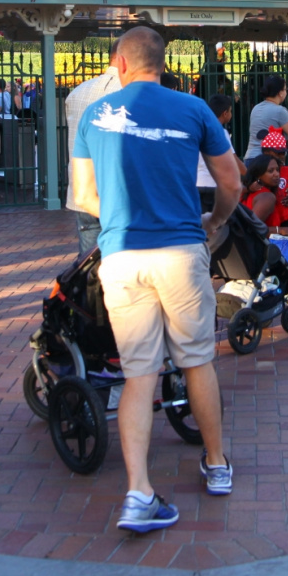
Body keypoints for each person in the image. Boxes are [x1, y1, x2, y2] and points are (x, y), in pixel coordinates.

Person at [70, 26, 240, 534]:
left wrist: (123, 216)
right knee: (197, 361)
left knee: (139, 375)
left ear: (120, 63)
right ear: (161, 64)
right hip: (181, 249)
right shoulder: (194, 109)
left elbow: (84, 195)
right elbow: (230, 180)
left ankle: (139, 493)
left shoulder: (95, 115)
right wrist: (217, 221)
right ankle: (215, 464)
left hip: (122, 255)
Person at [64, 41, 122, 257]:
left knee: (88, 261)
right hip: (118, 193)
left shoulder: (78, 92)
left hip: (83, 190)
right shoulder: (131, 93)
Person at [196, 94, 242, 212]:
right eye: (231, 111)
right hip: (213, 186)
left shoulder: (198, 130)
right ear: (225, 113)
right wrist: (250, 176)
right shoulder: (221, 132)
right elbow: (234, 161)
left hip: (196, 184)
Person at [242, 153, 288, 238]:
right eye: (270, 171)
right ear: (258, 175)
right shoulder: (267, 197)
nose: (276, 174)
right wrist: (280, 230)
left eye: (277, 170)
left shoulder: (253, 190)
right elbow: (251, 229)